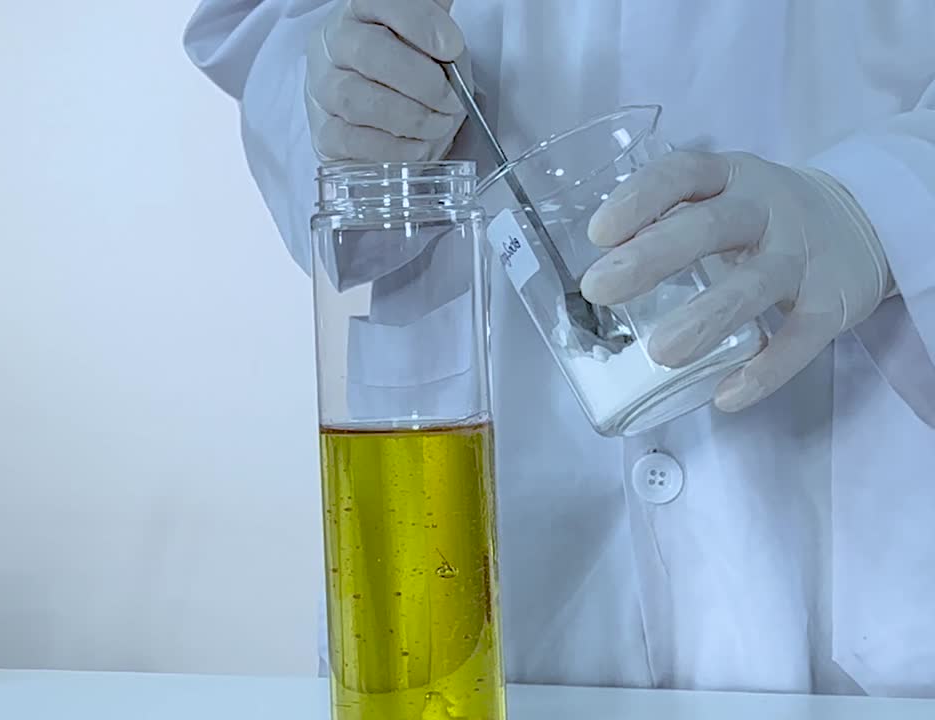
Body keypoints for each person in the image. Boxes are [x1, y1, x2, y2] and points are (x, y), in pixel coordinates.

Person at [184, 0, 935, 697]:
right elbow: (265, 25)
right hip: (496, 504)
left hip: (857, 439)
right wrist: (340, 91)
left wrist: (885, 206)